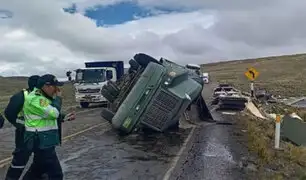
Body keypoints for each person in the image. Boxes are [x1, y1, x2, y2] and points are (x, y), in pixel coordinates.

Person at [21, 74, 73, 180]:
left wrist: (63, 117)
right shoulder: (36, 98)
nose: (57, 89)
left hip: (44, 140)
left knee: (37, 170)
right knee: (56, 174)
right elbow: (53, 113)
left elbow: (45, 115)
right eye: (55, 86)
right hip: (40, 141)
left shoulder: (41, 97)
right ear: (46, 86)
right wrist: (57, 98)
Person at [4, 75, 41, 180]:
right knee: (19, 163)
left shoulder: (41, 97)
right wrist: (22, 124)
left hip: (40, 136)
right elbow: (9, 114)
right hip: (24, 136)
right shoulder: (21, 96)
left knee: (42, 163)